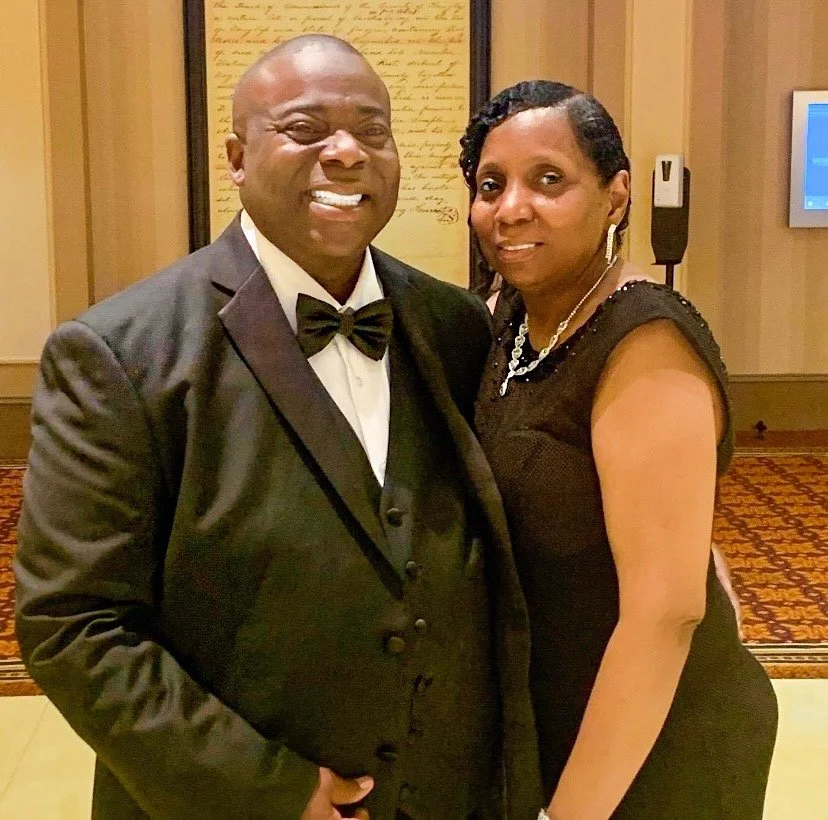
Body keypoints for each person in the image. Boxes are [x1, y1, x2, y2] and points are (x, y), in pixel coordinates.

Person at [14, 36, 543, 819]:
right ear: (235, 156)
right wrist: (270, 791)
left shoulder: (454, 324)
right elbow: (73, 624)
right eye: (304, 129)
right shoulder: (119, 355)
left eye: (372, 130)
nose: (346, 153)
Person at [461, 80, 778, 819]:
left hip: (664, 736)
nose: (512, 208)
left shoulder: (642, 341)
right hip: (569, 702)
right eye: (491, 184)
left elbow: (664, 616)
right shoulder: (516, 316)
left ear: (617, 195)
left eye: (549, 179)